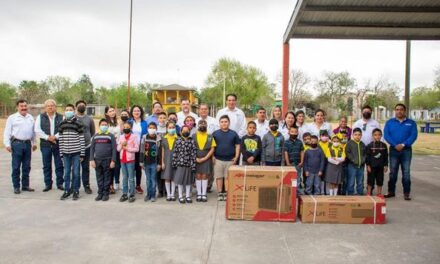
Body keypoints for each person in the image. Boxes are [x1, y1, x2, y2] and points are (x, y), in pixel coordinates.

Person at [384, 103, 418, 200]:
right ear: (395, 111)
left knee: (406, 172)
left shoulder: (411, 123)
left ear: (405, 111)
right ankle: (391, 191)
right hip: (394, 150)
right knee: (393, 172)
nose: (399, 111)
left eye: (401, 109)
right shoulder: (389, 122)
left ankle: (406, 193)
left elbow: (413, 135)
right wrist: (395, 145)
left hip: (406, 151)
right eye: (397, 109)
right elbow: (387, 135)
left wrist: (403, 144)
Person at [3, 99, 37, 194]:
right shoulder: (12, 118)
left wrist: (34, 143)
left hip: (27, 144)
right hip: (16, 144)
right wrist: (7, 144)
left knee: (27, 166)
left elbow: (33, 132)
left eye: (25, 106)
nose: (24, 108)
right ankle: (16, 186)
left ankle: (25, 185)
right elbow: (7, 132)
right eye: (21, 106)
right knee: (16, 166)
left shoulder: (30, 117)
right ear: (17, 107)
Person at [34, 99, 64, 192]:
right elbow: (37, 130)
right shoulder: (40, 117)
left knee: (59, 165)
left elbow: (63, 129)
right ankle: (48, 184)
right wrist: (48, 137)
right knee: (46, 165)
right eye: (48, 106)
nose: (50, 107)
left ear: (55, 107)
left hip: (57, 144)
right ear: (45, 107)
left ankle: (60, 184)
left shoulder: (61, 117)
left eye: (52, 105)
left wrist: (55, 137)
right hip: (45, 144)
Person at [58, 104, 85, 201]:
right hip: (65, 153)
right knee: (66, 173)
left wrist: (82, 153)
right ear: (64, 111)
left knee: (76, 173)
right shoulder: (62, 124)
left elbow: (81, 139)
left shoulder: (78, 123)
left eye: (70, 110)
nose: (68, 111)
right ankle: (66, 190)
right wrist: (61, 153)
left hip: (76, 153)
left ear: (74, 111)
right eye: (67, 109)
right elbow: (61, 140)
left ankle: (76, 190)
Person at [212, 115, 240, 201]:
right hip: (218, 159)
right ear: (219, 123)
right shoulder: (215, 134)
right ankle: (220, 193)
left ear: (229, 123)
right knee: (219, 177)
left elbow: (237, 146)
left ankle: (227, 192)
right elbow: (212, 146)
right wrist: (212, 156)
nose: (224, 123)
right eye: (222, 122)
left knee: (228, 177)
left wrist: (236, 157)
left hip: (230, 160)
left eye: (226, 122)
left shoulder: (234, 134)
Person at [90, 119, 117, 201]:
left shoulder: (111, 136)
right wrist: (91, 159)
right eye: (102, 125)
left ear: (108, 126)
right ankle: (100, 193)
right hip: (97, 160)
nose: (104, 126)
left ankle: (106, 193)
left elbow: (114, 149)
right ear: (99, 126)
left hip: (107, 160)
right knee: (99, 177)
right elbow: (92, 149)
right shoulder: (95, 136)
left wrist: (113, 160)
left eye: (105, 125)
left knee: (107, 177)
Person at [196, 103, 218, 192]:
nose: (203, 111)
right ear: (199, 110)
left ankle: (208, 186)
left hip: (210, 146)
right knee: (198, 170)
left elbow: (216, 134)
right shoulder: (195, 120)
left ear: (208, 110)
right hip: (198, 147)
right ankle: (199, 187)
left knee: (209, 169)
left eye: (205, 109)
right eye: (202, 109)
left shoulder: (214, 120)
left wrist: (214, 154)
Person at [75, 100, 95, 195]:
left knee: (85, 168)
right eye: (80, 105)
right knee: (76, 168)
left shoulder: (89, 119)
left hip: (87, 146)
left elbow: (92, 132)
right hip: (75, 147)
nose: (81, 106)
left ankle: (86, 185)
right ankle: (76, 186)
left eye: (83, 105)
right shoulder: (73, 118)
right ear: (76, 107)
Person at [172, 126, 197, 204]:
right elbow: (175, 153)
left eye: (187, 130)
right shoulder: (178, 141)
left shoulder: (191, 141)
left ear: (189, 132)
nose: (185, 131)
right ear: (181, 132)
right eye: (184, 130)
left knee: (188, 181)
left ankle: (188, 196)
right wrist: (174, 163)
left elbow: (193, 153)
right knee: (180, 181)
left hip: (189, 164)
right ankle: (180, 196)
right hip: (180, 164)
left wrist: (193, 164)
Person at [194, 120, 216, 202]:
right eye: (201, 124)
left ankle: (204, 194)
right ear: (198, 125)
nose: (202, 125)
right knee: (198, 176)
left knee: (204, 176)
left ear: (207, 125)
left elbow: (212, 148)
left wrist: (205, 158)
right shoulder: (193, 135)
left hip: (206, 158)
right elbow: (191, 148)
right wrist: (195, 158)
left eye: (204, 124)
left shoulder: (210, 136)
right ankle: (199, 193)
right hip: (196, 158)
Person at [140, 122, 162, 202]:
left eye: (153, 128)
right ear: (148, 128)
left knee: (153, 179)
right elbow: (142, 150)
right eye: (150, 127)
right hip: (146, 162)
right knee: (148, 180)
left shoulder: (158, 139)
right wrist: (141, 161)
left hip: (154, 163)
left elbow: (160, 153)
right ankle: (148, 194)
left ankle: (153, 195)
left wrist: (159, 164)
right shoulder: (144, 137)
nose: (152, 129)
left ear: (156, 129)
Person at [117, 122, 139, 203]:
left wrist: (127, 148)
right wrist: (121, 145)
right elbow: (118, 149)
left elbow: (136, 149)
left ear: (131, 128)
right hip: (122, 160)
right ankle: (125, 193)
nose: (126, 128)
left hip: (130, 160)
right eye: (124, 127)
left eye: (128, 127)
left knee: (131, 178)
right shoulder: (121, 136)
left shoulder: (134, 137)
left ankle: (132, 194)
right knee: (124, 177)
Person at [128, 105, 148, 194]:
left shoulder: (144, 123)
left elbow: (146, 136)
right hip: (130, 148)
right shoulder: (129, 122)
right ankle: (131, 185)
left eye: (138, 111)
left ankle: (138, 185)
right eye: (135, 110)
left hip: (140, 148)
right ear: (132, 112)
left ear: (141, 112)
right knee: (130, 168)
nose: (136, 112)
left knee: (138, 168)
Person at [366, 128, 388, 196]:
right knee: (370, 181)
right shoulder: (370, 145)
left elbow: (386, 156)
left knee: (380, 181)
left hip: (380, 167)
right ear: (372, 136)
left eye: (379, 135)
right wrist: (368, 165)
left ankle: (379, 193)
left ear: (381, 135)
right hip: (372, 167)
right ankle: (369, 193)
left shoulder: (384, 145)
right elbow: (367, 156)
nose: (377, 136)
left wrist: (386, 165)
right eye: (375, 135)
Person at [345, 128, 366, 195]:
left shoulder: (362, 144)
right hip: (352, 165)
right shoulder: (349, 143)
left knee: (360, 180)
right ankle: (350, 193)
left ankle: (360, 192)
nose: (357, 136)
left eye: (359, 135)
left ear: (361, 135)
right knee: (351, 180)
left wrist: (363, 160)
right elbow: (348, 153)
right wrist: (353, 160)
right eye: (355, 134)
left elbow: (365, 154)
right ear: (353, 135)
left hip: (361, 166)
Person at [284, 126, 305, 195]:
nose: (294, 133)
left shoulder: (300, 142)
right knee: (290, 178)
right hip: (290, 164)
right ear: (289, 132)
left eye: (296, 132)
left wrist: (302, 161)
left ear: (298, 133)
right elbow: (286, 152)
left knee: (298, 178)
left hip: (298, 164)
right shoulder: (286, 142)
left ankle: (297, 192)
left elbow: (302, 151)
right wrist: (287, 163)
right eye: (292, 132)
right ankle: (290, 192)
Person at [105, 106, 120, 194]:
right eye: (110, 111)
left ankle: (116, 183)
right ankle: (109, 185)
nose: (112, 112)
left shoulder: (118, 122)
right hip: (108, 147)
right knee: (109, 167)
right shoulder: (105, 123)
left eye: (113, 110)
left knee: (116, 167)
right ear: (107, 113)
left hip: (117, 147)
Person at [161, 121, 178, 201]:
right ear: (167, 129)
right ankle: (168, 194)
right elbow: (163, 151)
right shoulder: (164, 138)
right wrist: (162, 162)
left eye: (173, 127)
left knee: (174, 177)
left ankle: (172, 194)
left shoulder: (178, 138)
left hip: (175, 160)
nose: (171, 129)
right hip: (166, 159)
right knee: (167, 177)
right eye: (170, 128)